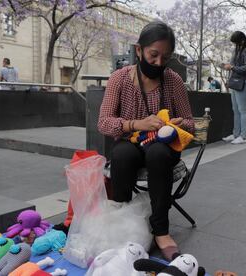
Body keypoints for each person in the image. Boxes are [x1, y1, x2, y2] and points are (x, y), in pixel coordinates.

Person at [98, 21, 194, 261]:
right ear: (139, 50)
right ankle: (122, 223)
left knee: (158, 154)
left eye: (166, 57)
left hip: (162, 146)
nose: (159, 63)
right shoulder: (119, 79)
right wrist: (135, 124)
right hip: (131, 141)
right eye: (153, 55)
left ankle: (161, 230)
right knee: (121, 154)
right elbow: (103, 122)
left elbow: (192, 124)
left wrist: (179, 123)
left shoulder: (173, 82)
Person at [222, 31, 246, 144]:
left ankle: (243, 136)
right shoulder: (238, 48)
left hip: (244, 82)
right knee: (235, 110)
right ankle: (236, 134)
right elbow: (233, 63)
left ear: (242, 40)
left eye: (236, 42)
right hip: (235, 82)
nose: (235, 45)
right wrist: (229, 66)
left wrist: (232, 67)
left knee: (242, 110)